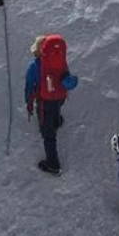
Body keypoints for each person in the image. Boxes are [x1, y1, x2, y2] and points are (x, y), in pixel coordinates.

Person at [24, 34, 78, 176]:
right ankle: (56, 121)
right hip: (59, 98)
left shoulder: (34, 66)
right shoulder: (60, 61)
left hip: (44, 101)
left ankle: (53, 164)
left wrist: (28, 102)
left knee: (48, 134)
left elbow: (30, 86)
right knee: (55, 110)